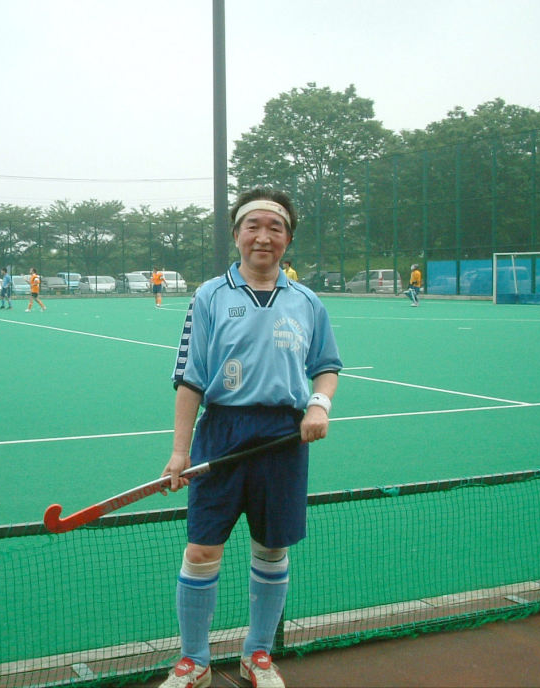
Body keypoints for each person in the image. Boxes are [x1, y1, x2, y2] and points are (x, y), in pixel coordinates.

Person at [159, 188, 341, 688]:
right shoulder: (209, 296)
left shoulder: (307, 301)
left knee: (271, 550)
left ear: (288, 239)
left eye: (275, 228)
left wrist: (318, 405)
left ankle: (257, 655)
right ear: (237, 234)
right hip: (221, 433)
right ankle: (194, 661)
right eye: (252, 226)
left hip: (283, 438)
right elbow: (190, 378)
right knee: (201, 550)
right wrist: (179, 452)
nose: (263, 237)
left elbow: (326, 366)